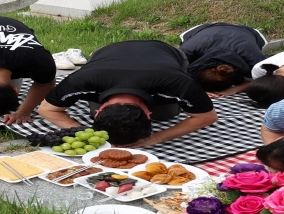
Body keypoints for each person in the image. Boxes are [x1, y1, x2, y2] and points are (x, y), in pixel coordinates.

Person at [38, 39, 218, 147]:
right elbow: (46, 109)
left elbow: (207, 117)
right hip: (107, 51)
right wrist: (83, 132)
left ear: (149, 113)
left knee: (167, 115)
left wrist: (156, 138)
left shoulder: (177, 83)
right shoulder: (82, 80)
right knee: (102, 122)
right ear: (101, 109)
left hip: (165, 52)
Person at [0, 16, 57, 125]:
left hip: (8, 25)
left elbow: (46, 84)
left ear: (16, 90)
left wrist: (23, 111)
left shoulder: (39, 60)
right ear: (15, 90)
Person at [178, 22, 268, 95]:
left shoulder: (254, 59)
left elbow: (268, 79)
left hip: (247, 32)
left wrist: (236, 89)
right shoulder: (186, 52)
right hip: (206, 32)